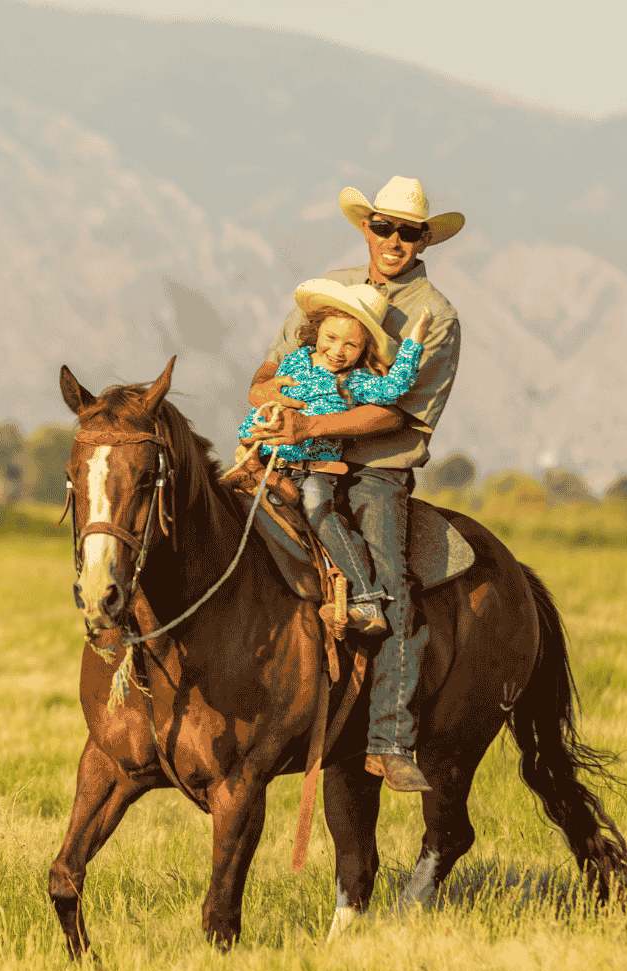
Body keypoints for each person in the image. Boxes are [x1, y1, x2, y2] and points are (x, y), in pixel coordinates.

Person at [248, 176, 464, 793]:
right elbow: (272, 367)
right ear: (365, 227)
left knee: (392, 587)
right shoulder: (327, 293)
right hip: (294, 449)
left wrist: (309, 419)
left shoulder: (435, 316)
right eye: (383, 226)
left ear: (425, 239)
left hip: (377, 468)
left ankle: (391, 739)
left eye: (408, 231)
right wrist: (273, 400)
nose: (393, 239)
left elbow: (398, 412)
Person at [236, 280, 431, 637]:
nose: (338, 350)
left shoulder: (357, 381)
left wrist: (413, 343)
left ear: (364, 349)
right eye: (330, 338)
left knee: (319, 512)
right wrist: (255, 427)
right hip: (269, 462)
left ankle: (366, 600)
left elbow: (395, 389)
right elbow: (271, 400)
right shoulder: (295, 360)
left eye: (351, 344)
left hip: (314, 470)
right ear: (315, 333)